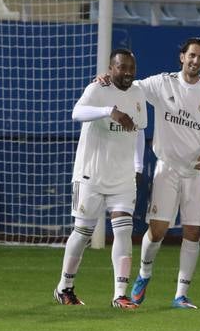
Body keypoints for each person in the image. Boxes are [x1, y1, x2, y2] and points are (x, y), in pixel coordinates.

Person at [126, 37, 200, 310]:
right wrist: (107, 81)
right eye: (191, 55)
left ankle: (181, 294)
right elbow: (130, 88)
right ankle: (144, 275)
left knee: (193, 232)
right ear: (182, 56)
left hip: (197, 172)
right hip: (166, 167)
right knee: (157, 230)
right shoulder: (162, 83)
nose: (195, 61)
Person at [54, 48, 146, 308]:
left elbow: (138, 131)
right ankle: (64, 287)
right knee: (82, 232)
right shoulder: (97, 89)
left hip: (123, 177)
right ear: (110, 68)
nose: (127, 72)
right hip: (90, 175)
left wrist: (138, 167)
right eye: (122, 67)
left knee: (124, 231)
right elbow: (77, 113)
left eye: (131, 67)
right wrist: (109, 111)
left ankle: (120, 294)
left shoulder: (138, 93)